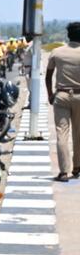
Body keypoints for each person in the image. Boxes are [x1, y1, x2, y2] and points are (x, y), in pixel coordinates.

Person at [46, 21, 80, 182]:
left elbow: (48, 76)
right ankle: (77, 167)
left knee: (62, 134)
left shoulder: (57, 52)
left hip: (62, 96)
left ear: (68, 35)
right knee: (78, 134)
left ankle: (64, 172)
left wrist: (50, 95)